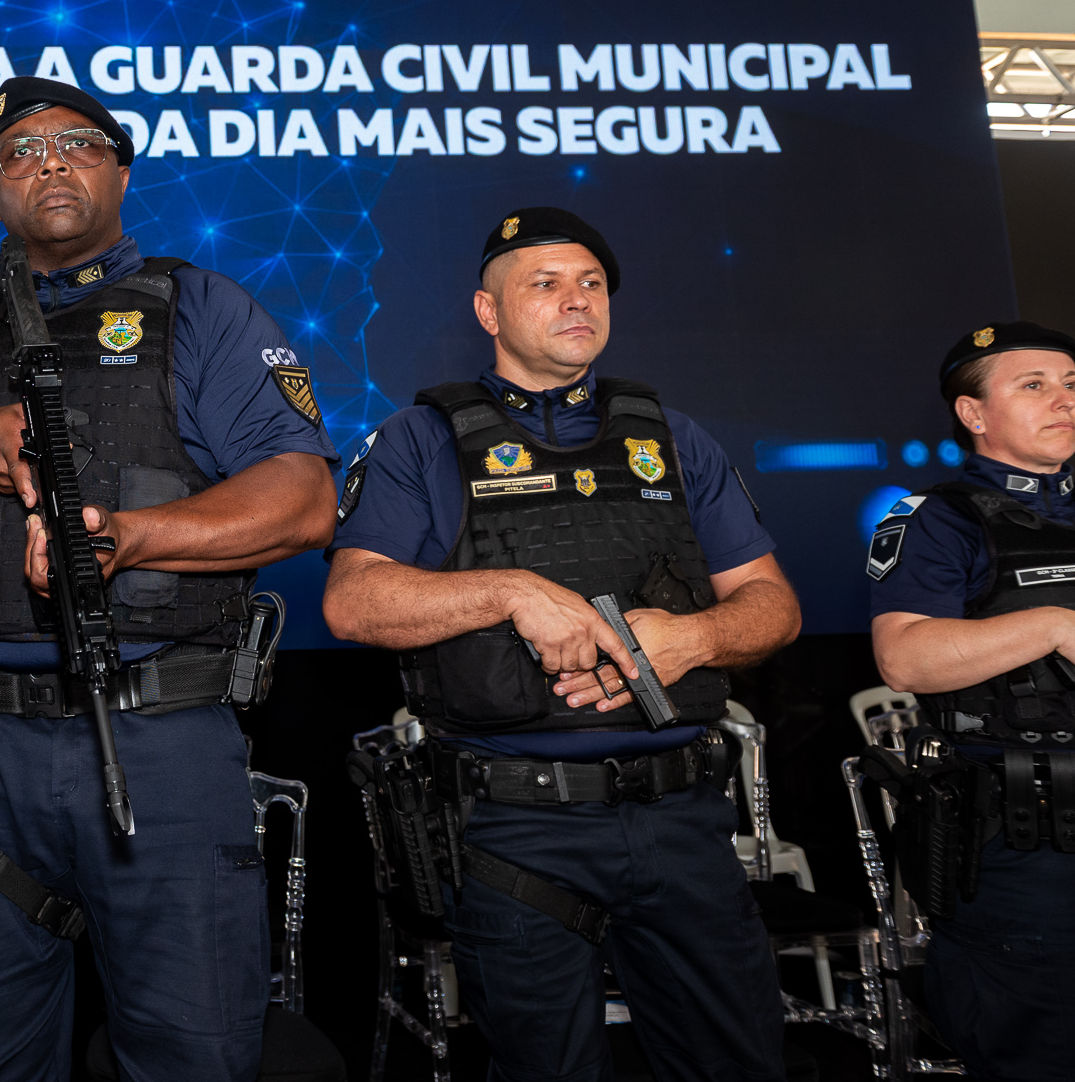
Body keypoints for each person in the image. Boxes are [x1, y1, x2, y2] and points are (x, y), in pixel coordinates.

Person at [0, 75, 337, 1082]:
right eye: (20, 151)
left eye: (78, 144)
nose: (48, 162)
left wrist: (127, 537)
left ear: (121, 171)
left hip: (156, 735)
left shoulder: (200, 307)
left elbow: (304, 499)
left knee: (191, 1056)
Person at [322, 207, 799, 1081]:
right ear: (488, 310)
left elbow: (774, 608)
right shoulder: (419, 441)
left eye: (591, 284)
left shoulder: (672, 437)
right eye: (545, 284)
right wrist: (514, 591)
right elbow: (353, 603)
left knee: (737, 1063)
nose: (577, 300)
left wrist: (694, 637)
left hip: (681, 818)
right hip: (516, 829)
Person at [866, 320, 1075, 1081]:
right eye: (1035, 385)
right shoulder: (936, 518)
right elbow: (904, 657)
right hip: (1027, 840)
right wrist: (1053, 625)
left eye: (1072, 384)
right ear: (973, 412)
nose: (1064, 400)